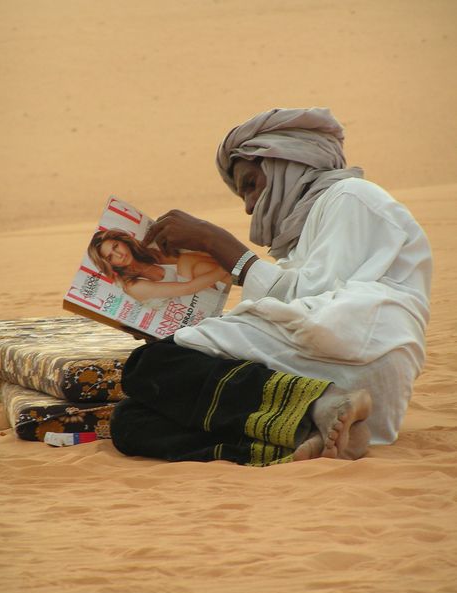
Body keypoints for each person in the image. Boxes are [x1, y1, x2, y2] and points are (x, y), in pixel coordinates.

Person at [109, 107, 432, 466]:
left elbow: (315, 300)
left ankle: (320, 404)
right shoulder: (303, 233)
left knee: (150, 365)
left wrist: (221, 245)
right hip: (320, 365)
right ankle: (305, 438)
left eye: (250, 184)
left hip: (356, 354)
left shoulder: (350, 197)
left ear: (286, 162)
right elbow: (289, 309)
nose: (249, 206)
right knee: (131, 420)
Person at [88, 228, 230, 303]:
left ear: (123, 241)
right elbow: (187, 288)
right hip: (194, 310)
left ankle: (235, 272)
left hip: (209, 288)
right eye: (111, 257)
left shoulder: (151, 253)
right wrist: (225, 267)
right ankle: (236, 271)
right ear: (109, 264)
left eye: (116, 246)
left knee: (196, 262)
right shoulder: (133, 286)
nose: (119, 255)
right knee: (186, 260)